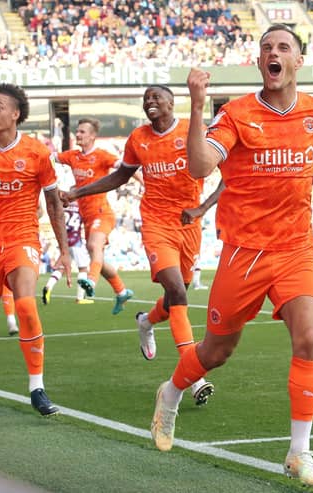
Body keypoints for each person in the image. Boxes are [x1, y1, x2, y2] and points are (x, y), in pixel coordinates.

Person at [150, 25, 313, 489]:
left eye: (283, 47)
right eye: (266, 48)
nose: (273, 53)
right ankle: (170, 393)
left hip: (296, 250)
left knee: (308, 338)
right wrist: (198, 105)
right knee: (217, 351)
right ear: (259, 61)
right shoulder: (238, 113)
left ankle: (299, 453)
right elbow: (201, 167)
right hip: (244, 253)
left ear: (298, 61)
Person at [61, 85, 216, 407]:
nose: (150, 103)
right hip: (156, 223)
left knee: (177, 296)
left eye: (156, 97)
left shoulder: (192, 129)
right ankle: (193, 373)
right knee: (178, 291)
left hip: (189, 223)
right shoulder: (138, 138)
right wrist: (77, 193)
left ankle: (146, 321)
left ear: (172, 102)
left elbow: (224, 168)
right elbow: (120, 176)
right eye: (146, 99)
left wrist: (202, 208)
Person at [0, 83, 71, 418]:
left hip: (22, 238)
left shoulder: (37, 152)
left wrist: (64, 251)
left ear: (16, 114)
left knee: (25, 303)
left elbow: (53, 203)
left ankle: (37, 387)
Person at [53, 118, 134, 315]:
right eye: (77, 132)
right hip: (86, 216)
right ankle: (121, 291)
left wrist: (144, 182)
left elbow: (126, 167)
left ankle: (90, 281)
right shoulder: (72, 156)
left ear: (92, 136)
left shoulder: (102, 156)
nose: (78, 135)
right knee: (98, 257)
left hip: (102, 212)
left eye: (82, 132)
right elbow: (48, 158)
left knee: (93, 247)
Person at [42, 200, 94, 305]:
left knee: (61, 268)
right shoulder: (80, 207)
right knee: (83, 268)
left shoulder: (63, 207)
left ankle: (48, 286)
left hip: (63, 241)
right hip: (75, 241)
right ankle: (80, 298)